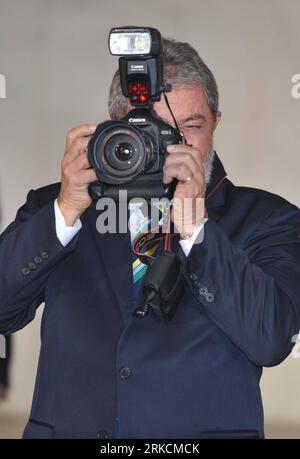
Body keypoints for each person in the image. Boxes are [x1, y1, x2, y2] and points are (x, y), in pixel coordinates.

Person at [0, 36, 300, 439]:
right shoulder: (57, 207)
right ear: (112, 127)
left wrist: (196, 228)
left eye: (190, 126)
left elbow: (271, 339)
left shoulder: (267, 219)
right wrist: (64, 211)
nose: (173, 145)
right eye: (151, 130)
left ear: (216, 122)